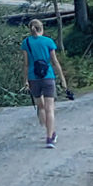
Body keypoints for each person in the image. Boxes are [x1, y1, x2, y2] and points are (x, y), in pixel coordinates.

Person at [20, 17, 69, 148]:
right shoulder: (48, 42)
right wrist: (63, 79)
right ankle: (50, 138)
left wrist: (25, 80)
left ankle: (48, 130)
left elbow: (26, 64)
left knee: (40, 107)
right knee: (50, 109)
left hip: (33, 78)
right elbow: (55, 62)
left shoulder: (26, 43)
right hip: (48, 77)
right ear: (42, 28)